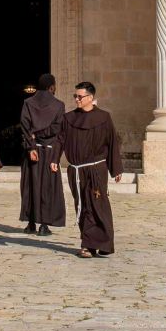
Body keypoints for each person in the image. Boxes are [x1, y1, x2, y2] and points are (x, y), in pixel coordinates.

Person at [60, 80, 122, 258]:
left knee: (97, 204)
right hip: (77, 171)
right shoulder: (69, 118)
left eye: (80, 97)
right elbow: (60, 140)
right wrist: (54, 160)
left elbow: (112, 143)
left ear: (91, 97)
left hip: (96, 169)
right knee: (82, 205)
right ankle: (88, 244)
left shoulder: (103, 117)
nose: (77, 100)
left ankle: (101, 243)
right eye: (75, 96)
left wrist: (115, 168)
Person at [18, 73, 66, 235]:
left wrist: (32, 144)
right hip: (49, 151)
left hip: (31, 151)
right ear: (51, 87)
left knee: (30, 185)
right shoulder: (59, 105)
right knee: (48, 187)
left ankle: (30, 223)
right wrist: (40, 135)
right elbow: (57, 128)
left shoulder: (28, 103)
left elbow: (25, 126)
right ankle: (44, 225)